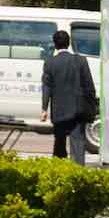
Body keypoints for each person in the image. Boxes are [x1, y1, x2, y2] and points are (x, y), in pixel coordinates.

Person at [41, 27, 98, 162]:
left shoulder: (50, 62)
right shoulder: (81, 61)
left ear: (55, 45)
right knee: (78, 143)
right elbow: (89, 86)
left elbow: (47, 87)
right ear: (69, 42)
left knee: (59, 142)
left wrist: (44, 109)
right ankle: (77, 173)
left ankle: (59, 171)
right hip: (78, 110)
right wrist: (92, 107)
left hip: (59, 110)